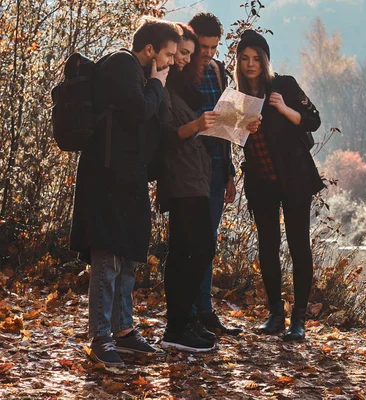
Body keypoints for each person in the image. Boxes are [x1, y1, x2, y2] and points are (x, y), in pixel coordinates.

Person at [69, 17, 181, 367]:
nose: (170, 63)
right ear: (149, 50)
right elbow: (139, 111)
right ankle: (101, 336)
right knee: (108, 256)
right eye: (167, 55)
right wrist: (158, 84)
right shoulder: (122, 64)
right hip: (106, 179)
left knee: (130, 253)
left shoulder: (137, 73)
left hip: (128, 178)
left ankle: (123, 331)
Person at [234, 30, 325, 341]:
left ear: (265, 59)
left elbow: (314, 119)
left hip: (295, 178)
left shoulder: (284, 84)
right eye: (244, 59)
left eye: (256, 58)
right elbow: (232, 137)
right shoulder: (237, 96)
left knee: (299, 246)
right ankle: (275, 314)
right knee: (268, 247)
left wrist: (285, 109)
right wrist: (242, 128)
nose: (250, 64)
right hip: (261, 182)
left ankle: (298, 320)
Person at [155, 23, 222, 352]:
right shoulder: (163, 82)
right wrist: (197, 124)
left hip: (197, 175)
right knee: (191, 249)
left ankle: (182, 323)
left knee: (190, 249)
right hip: (180, 177)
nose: (184, 59)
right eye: (180, 53)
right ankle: (177, 326)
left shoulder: (184, 83)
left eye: (188, 55)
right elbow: (167, 135)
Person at [180, 12, 243, 336]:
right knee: (190, 244)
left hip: (217, 169)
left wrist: (230, 172)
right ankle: (186, 313)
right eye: (204, 46)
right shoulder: (180, 70)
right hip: (188, 170)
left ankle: (205, 311)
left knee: (209, 242)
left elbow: (225, 127)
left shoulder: (219, 71)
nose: (208, 53)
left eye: (214, 47)